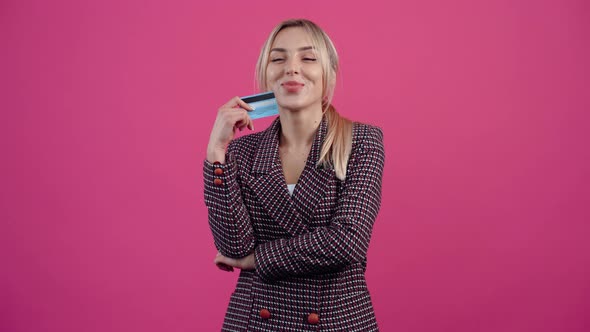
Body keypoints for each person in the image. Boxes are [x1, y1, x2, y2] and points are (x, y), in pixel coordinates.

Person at [203, 18, 385, 331]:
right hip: (255, 322)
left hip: (334, 322)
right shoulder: (242, 152)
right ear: (265, 73)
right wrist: (216, 152)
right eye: (278, 58)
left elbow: (347, 241)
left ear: (328, 73)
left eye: (308, 57)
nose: (292, 68)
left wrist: (256, 261)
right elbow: (233, 248)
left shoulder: (361, 141)